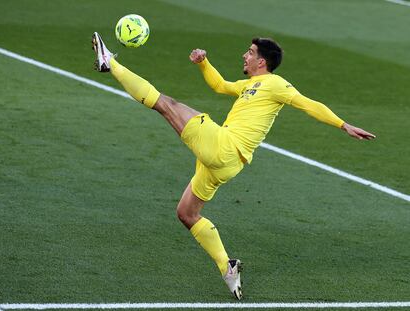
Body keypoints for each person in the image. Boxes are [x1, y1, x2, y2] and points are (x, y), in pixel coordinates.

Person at [91, 32, 375, 300]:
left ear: (261, 61)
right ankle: (227, 268)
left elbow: (308, 104)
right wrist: (204, 64)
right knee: (187, 213)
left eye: (250, 53)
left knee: (167, 104)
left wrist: (343, 124)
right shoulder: (249, 86)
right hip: (226, 163)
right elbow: (220, 86)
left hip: (226, 148)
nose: (244, 56)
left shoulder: (276, 84)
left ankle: (111, 63)